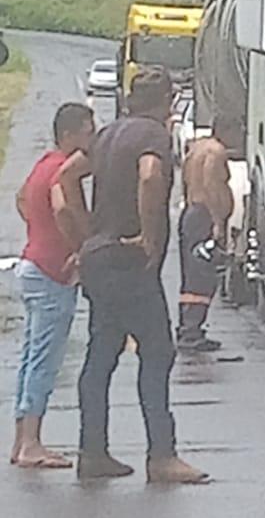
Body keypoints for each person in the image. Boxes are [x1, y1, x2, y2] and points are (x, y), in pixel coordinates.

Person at [57, 67, 208, 485]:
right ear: (168, 101)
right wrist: (148, 235)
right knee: (157, 352)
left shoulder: (107, 134)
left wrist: (89, 235)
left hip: (99, 260)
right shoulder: (153, 135)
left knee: (101, 355)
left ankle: (92, 451)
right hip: (129, 263)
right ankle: (162, 455)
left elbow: (67, 176)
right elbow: (150, 175)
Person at [11, 102, 95, 469]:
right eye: (88, 131)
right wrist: (78, 247)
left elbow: (21, 199)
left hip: (32, 263)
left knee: (31, 357)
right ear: (69, 134)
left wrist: (38, 229)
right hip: (51, 273)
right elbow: (62, 208)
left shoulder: (43, 165)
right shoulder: (62, 172)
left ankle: (21, 440)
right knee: (45, 361)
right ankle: (32, 443)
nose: (92, 138)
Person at [177, 133, 233, 352]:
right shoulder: (215, 152)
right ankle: (191, 331)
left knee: (191, 275)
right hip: (204, 218)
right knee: (203, 277)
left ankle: (187, 327)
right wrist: (217, 221)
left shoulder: (195, 150)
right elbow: (210, 183)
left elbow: (184, 182)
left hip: (191, 213)